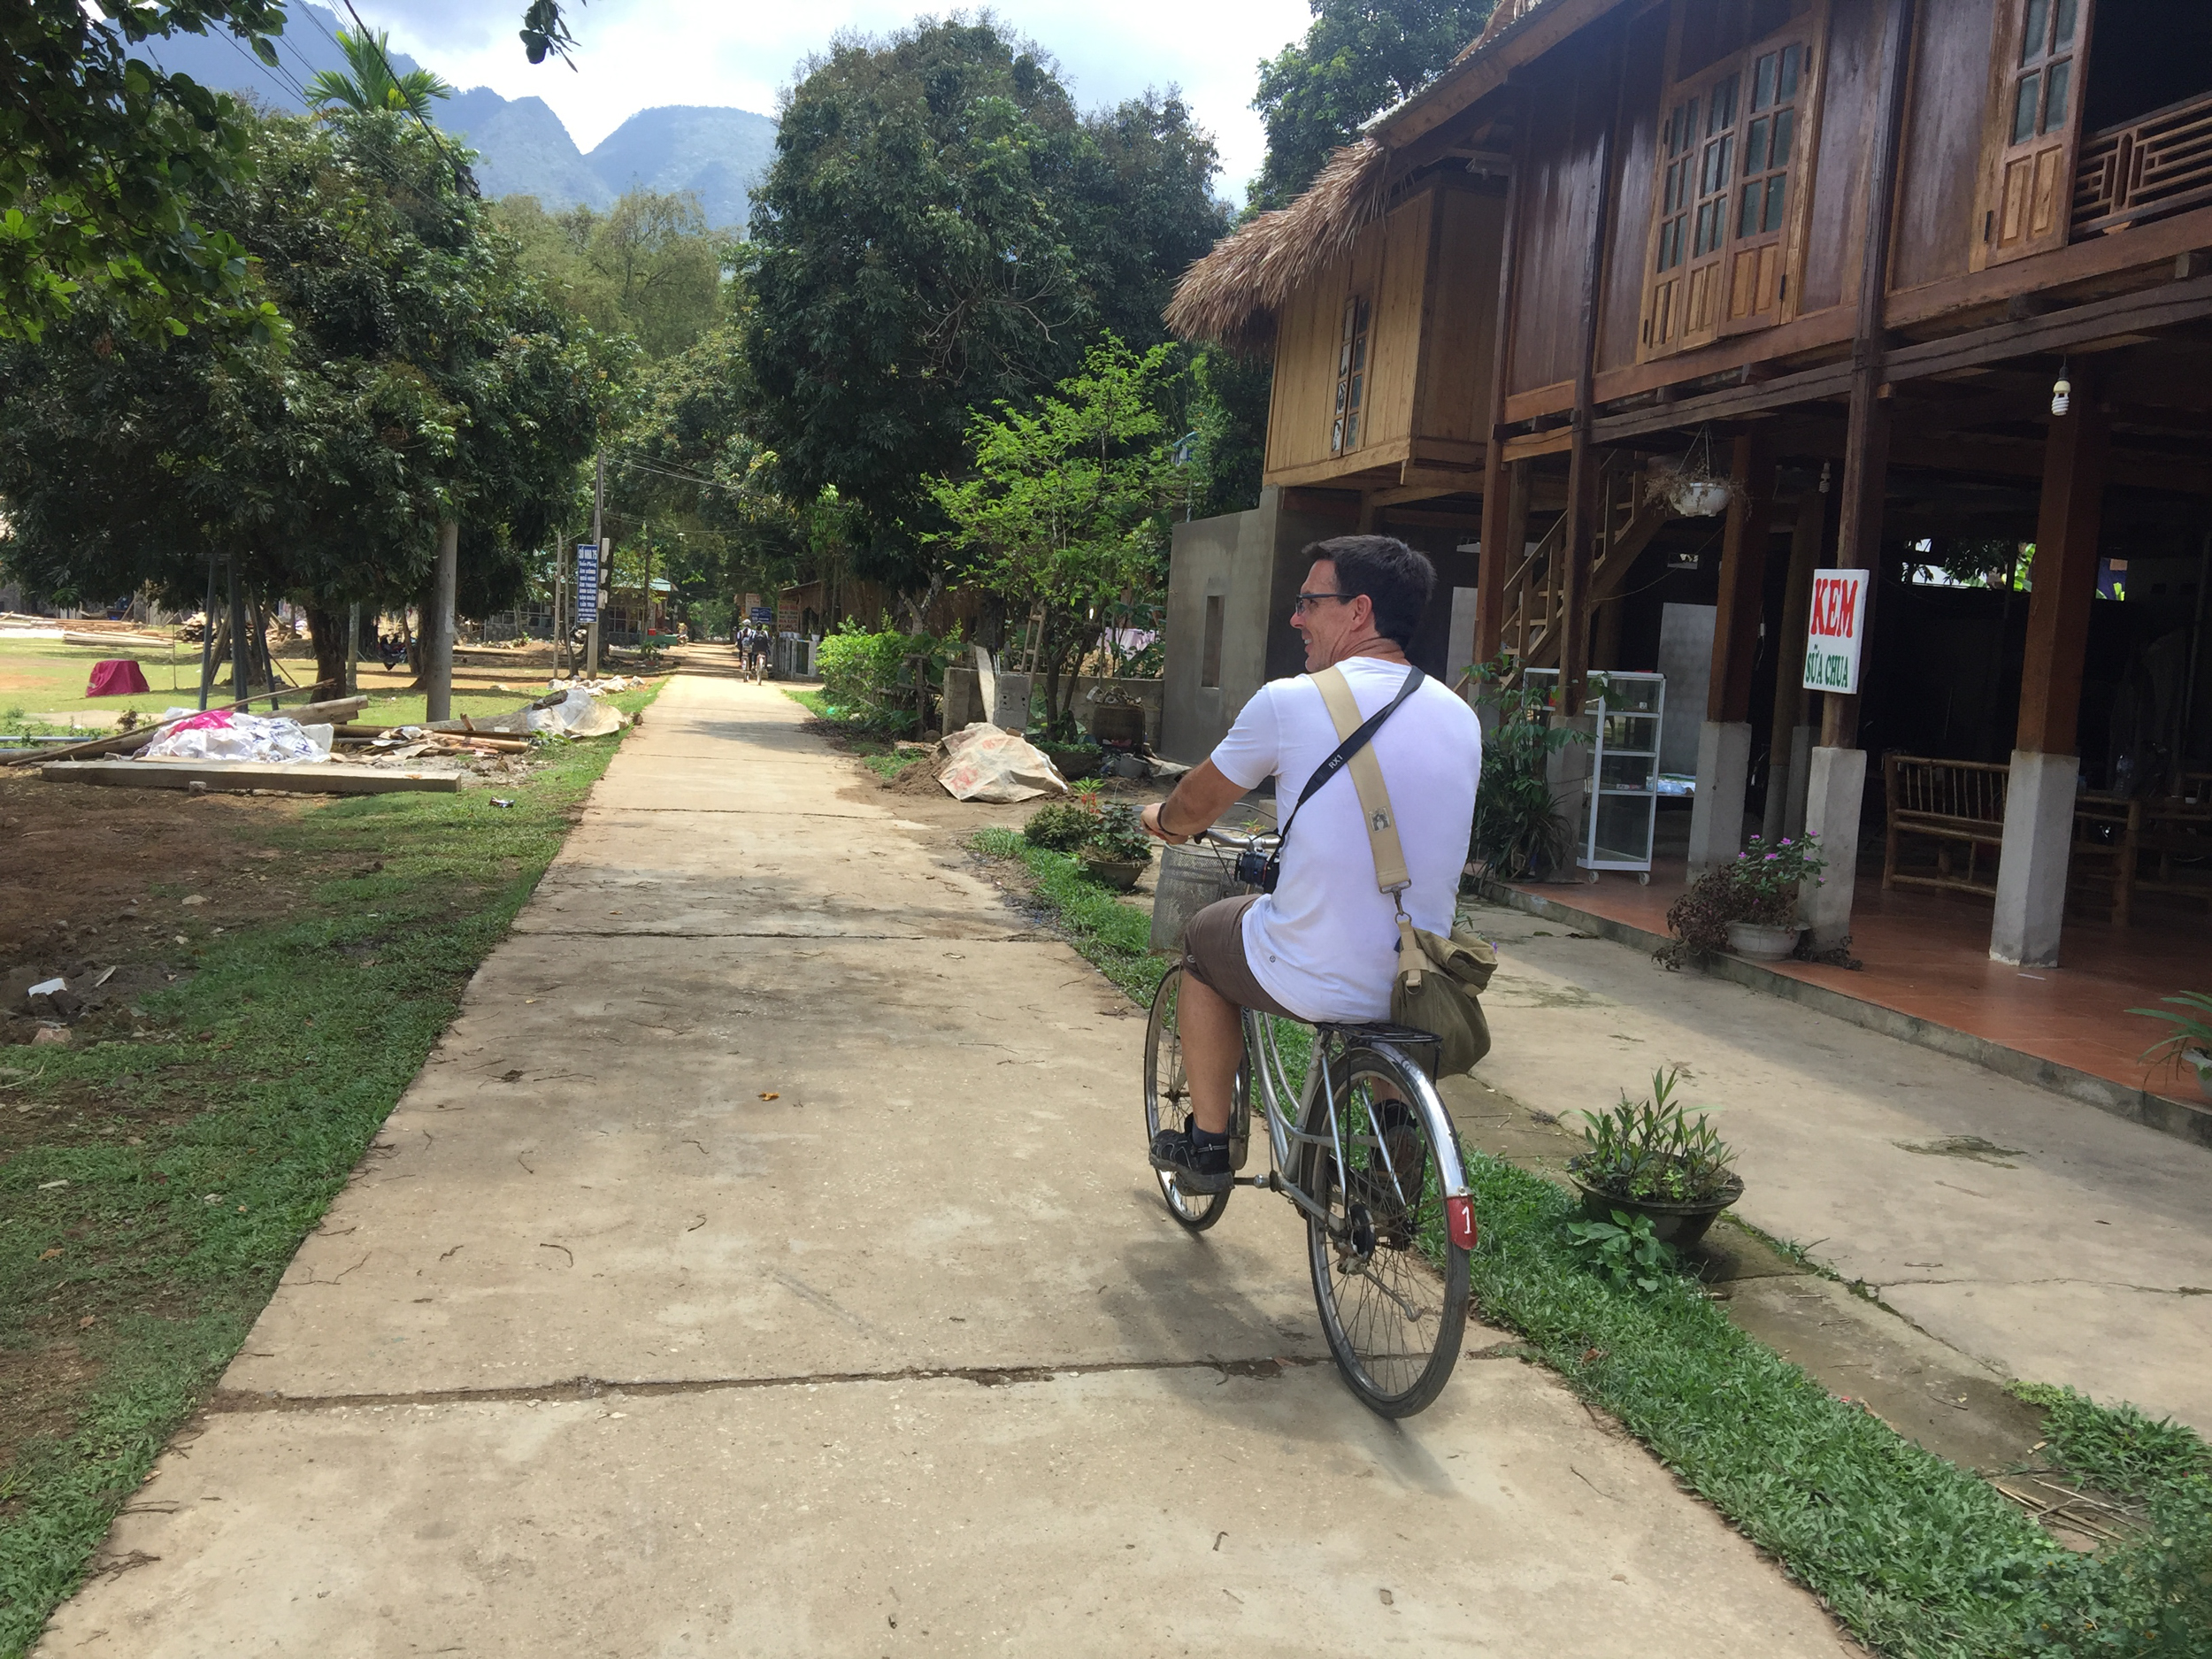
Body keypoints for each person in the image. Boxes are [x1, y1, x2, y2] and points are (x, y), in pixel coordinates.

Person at [1140, 535, 1483, 1194]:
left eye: (1308, 602)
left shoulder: (1291, 700)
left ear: (1358, 611)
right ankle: (1394, 1159)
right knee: (1388, 1003)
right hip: (1418, 980)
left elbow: (1196, 803)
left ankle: (1207, 1146)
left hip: (1314, 973)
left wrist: (1164, 820)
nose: (1296, 618)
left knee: (1202, 947)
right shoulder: (1462, 718)